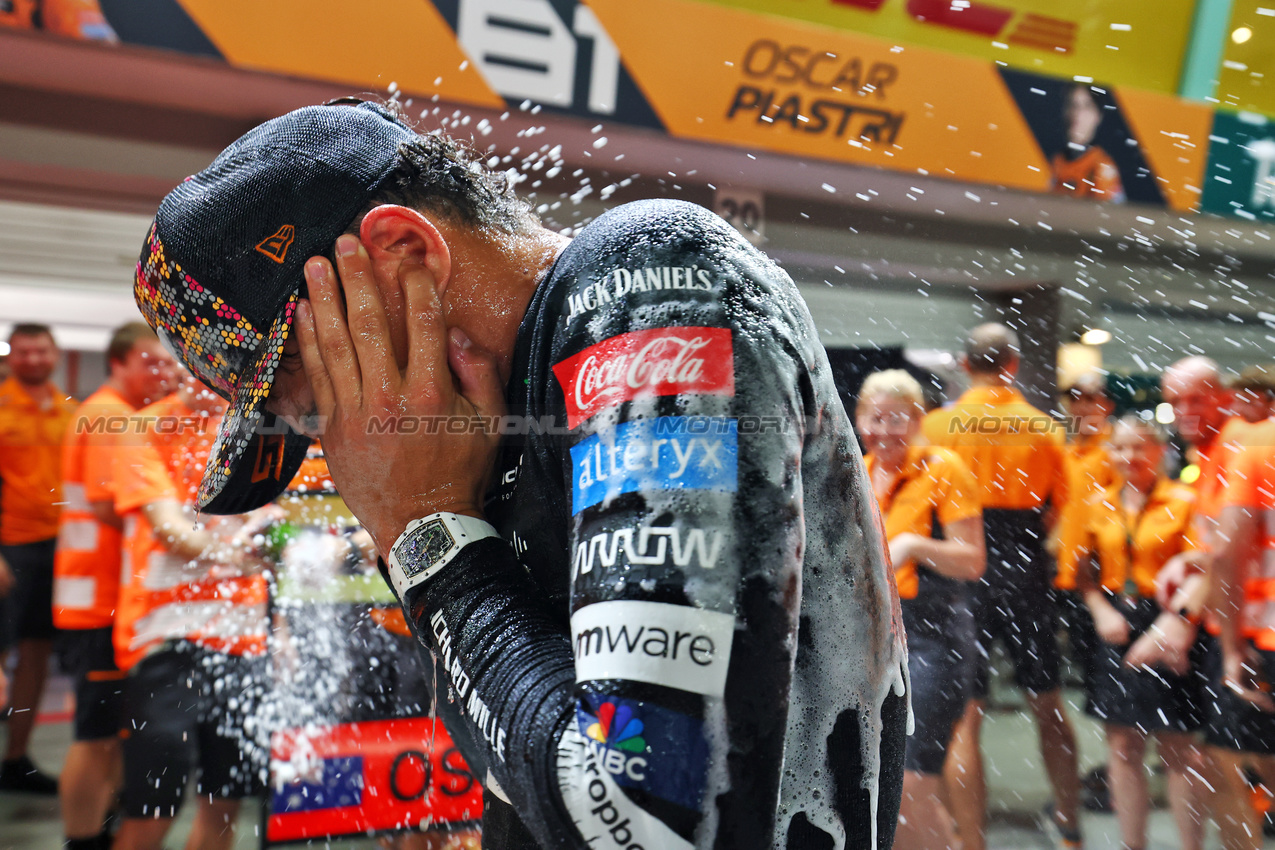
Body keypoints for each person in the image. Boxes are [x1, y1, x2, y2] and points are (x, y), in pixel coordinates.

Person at [131, 99, 908, 850]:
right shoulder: (516, 409)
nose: (325, 434)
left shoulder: (645, 278)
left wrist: (425, 532)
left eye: (302, 385)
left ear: (404, 254)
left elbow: (644, 813)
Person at [921, 323, 1080, 850]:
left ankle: (971, 839)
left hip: (964, 566)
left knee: (965, 714)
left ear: (966, 365)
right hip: (1026, 566)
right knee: (1048, 700)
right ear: (1011, 364)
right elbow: (1064, 511)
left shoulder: (939, 426)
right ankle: (1070, 822)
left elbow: (926, 500)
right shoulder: (1045, 429)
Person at [110, 369, 274, 850]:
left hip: (243, 637)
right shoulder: (142, 428)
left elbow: (272, 521)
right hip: (166, 638)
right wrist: (238, 556)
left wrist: (275, 628)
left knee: (225, 804)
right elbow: (168, 529)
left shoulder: (252, 427)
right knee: (152, 807)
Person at [54, 322, 176, 849]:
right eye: (149, 362)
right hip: (98, 600)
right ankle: (83, 839)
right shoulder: (111, 415)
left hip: (104, 598)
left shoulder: (118, 414)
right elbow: (111, 505)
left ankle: (97, 831)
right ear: (118, 363)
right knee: (97, 736)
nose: (163, 372)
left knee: (114, 733)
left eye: (166, 362)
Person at [857, 370, 985, 850]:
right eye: (876, 418)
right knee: (878, 783)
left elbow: (972, 559)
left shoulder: (944, 467)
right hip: (869, 641)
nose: (885, 430)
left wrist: (910, 545)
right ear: (859, 418)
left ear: (917, 421)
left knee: (909, 784)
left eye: (898, 419)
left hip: (933, 641)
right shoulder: (855, 472)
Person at [1077, 416, 1204, 850]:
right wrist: (1098, 611)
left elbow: (1199, 570)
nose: (1130, 457)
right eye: (1121, 448)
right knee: (1123, 746)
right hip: (1115, 620)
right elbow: (1084, 572)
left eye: (1140, 447)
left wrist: (1177, 627)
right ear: (1109, 453)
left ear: (1160, 451)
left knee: (1179, 750)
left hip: (1169, 617)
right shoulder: (1098, 503)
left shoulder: (1185, 502)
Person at [0, 323, 76, 794]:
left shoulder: (70, 410)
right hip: (9, 547)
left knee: (35, 655)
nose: (32, 358)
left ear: (53, 354)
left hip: (58, 548)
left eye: (40, 351)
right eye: (23, 351)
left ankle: (16, 759)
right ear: (11, 356)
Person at [1205, 413, 1275, 850]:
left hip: (1266, 639)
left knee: (1231, 759)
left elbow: (1224, 555)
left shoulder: (1260, 448)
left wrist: (1231, 648)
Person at [1053, 371, 1116, 690]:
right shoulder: (1066, 453)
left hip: (1104, 579)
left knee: (1111, 671)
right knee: (1089, 669)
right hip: (1069, 575)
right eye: (1074, 399)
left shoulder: (1117, 452)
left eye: (1089, 399)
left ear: (1106, 404)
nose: (1080, 407)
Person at [1049, 84, 1125, 203]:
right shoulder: (1057, 162)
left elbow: (1105, 218)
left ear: (1098, 116)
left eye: (1086, 106)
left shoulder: (1102, 168)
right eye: (1072, 104)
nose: (1077, 113)